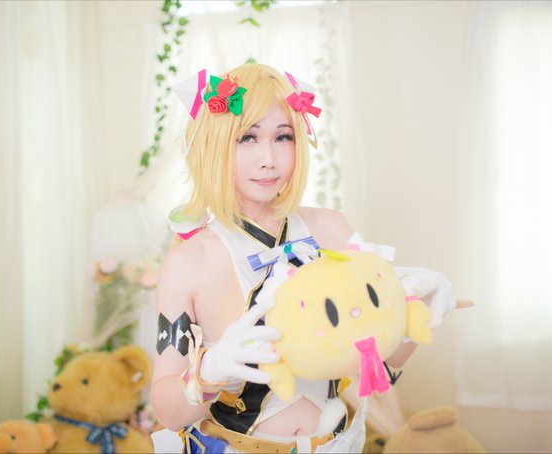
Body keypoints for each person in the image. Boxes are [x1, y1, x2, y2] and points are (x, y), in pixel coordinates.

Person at [150, 63, 447, 453]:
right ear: (214, 144)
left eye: (283, 136)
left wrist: (416, 313)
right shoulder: (189, 261)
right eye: (247, 137)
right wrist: (210, 371)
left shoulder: (332, 229)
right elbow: (168, 411)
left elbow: (380, 365)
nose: (269, 158)